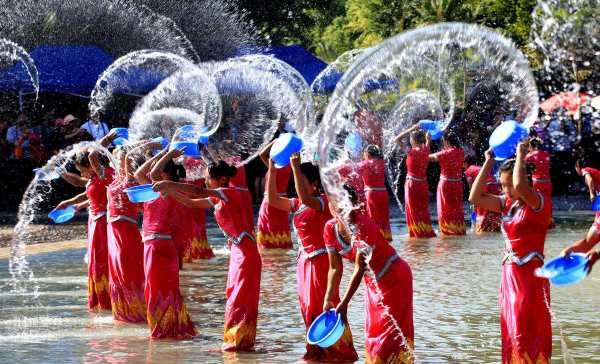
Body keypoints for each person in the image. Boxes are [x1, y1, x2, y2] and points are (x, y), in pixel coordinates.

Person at [153, 161, 261, 351]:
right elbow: (190, 202)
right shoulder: (218, 199)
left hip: (246, 254)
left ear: (222, 179)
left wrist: (169, 185)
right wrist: (170, 193)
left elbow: (198, 192)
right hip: (238, 253)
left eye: (208, 178)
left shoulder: (229, 192)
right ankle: (234, 340)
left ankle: (238, 342)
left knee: (240, 298)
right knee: (233, 296)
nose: (205, 181)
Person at [265, 153, 358, 362]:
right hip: (303, 264)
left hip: (321, 263)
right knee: (307, 308)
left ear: (315, 184)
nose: (296, 185)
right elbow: (271, 199)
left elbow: (307, 198)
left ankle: (338, 352)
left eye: (301, 180)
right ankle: (316, 352)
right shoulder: (296, 204)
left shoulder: (322, 202)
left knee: (325, 306)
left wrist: (296, 167)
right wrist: (271, 167)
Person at [469, 142, 552, 364]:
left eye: (508, 186)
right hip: (510, 275)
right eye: (502, 185)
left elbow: (520, 186)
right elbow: (474, 198)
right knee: (511, 327)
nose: (506, 190)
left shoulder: (538, 202)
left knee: (526, 329)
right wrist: (488, 162)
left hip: (531, 277)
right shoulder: (506, 204)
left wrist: (520, 155)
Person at [323, 185, 414, 364]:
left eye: (342, 204)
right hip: (373, 283)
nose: (337, 208)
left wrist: (344, 303)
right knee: (373, 332)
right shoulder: (329, 228)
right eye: (333, 203)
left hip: (394, 277)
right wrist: (328, 298)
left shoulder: (365, 225)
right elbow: (334, 268)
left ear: (354, 205)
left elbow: (359, 268)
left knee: (390, 336)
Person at [132, 147, 196, 339]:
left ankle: (163, 330)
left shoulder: (167, 188)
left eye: (157, 167)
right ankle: (168, 328)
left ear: (163, 172)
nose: (153, 171)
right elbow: (138, 174)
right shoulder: (157, 189)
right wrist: (161, 155)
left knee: (157, 289)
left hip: (158, 245)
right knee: (160, 288)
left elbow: (148, 173)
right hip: (156, 245)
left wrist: (167, 154)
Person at [57, 140, 115, 311]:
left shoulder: (106, 174)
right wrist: (71, 203)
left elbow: (92, 155)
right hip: (95, 221)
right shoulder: (95, 178)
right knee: (95, 262)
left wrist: (91, 146)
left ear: (91, 166)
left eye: (81, 169)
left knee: (101, 262)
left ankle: (107, 301)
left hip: (103, 223)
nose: (81, 173)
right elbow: (86, 192)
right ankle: (100, 301)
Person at [105, 142, 147, 322]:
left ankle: (136, 310)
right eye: (118, 160)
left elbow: (144, 207)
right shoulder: (114, 181)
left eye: (124, 160)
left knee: (127, 268)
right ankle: (122, 311)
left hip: (127, 229)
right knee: (116, 269)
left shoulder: (134, 182)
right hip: (112, 229)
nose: (121, 163)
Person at [395, 125, 435, 238]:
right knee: (422, 209)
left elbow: (396, 139)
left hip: (412, 184)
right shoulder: (426, 150)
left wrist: (410, 129)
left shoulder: (411, 152)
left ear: (413, 140)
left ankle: (416, 233)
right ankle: (425, 231)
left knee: (413, 209)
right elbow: (427, 143)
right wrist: (428, 139)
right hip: (423, 184)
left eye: (410, 139)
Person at [561, 160, 600, 273]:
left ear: (577, 167)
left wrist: (591, 193)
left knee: (588, 242)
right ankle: (593, 254)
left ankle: (568, 251)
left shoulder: (585, 170)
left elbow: (589, 179)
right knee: (589, 242)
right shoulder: (595, 171)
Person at [256, 140, 293, 249]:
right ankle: (280, 261)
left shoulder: (276, 166)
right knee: (280, 234)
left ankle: (270, 262)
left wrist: (276, 141)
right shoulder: (288, 164)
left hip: (270, 201)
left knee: (268, 237)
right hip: (282, 201)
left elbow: (261, 154)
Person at [429, 132, 466, 235]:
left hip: (445, 184)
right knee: (457, 208)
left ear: (446, 141)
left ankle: (447, 232)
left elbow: (426, 157)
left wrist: (428, 142)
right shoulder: (461, 152)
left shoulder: (445, 153)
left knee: (445, 209)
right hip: (457, 183)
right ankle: (458, 230)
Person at [356, 145, 392, 241]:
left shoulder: (365, 163)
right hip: (383, 193)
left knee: (373, 218)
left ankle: (375, 240)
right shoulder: (382, 162)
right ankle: (386, 239)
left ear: (367, 154)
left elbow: (348, 170)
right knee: (384, 218)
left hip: (371, 193)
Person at [464, 156, 501, 233]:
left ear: (465, 163)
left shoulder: (468, 170)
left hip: (486, 186)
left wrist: (474, 202)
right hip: (494, 185)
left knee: (482, 207)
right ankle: (495, 226)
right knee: (492, 207)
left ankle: (483, 228)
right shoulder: (479, 167)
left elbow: (472, 188)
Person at [526, 137, 554, 228]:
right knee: (548, 202)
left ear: (531, 146)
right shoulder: (546, 154)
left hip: (537, 182)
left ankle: (538, 221)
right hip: (548, 182)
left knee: (537, 202)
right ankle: (549, 222)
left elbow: (520, 164)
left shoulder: (530, 155)